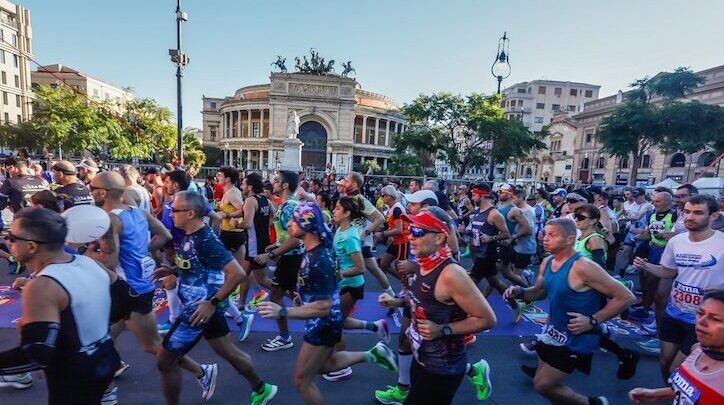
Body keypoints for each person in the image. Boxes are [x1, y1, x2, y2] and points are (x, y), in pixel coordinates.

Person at [90, 171, 214, 402]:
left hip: (129, 291)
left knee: (152, 345)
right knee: (102, 338)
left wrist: (83, 252)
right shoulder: (137, 212)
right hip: (134, 287)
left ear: (103, 193)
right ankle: (107, 386)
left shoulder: (111, 220)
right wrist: (141, 251)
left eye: (92, 188)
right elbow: (165, 235)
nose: (90, 192)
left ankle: (201, 371)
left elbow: (109, 262)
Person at [257, 203, 397, 404]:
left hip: (323, 325)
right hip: (323, 322)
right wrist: (303, 297)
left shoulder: (318, 259)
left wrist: (283, 312)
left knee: (302, 381)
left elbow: (324, 306)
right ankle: (373, 354)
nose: (288, 224)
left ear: (307, 225)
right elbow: (323, 288)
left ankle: (373, 353)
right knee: (324, 365)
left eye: (294, 220)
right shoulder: (313, 251)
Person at [153, 191, 277, 405]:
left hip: (198, 312)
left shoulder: (205, 240)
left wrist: (212, 303)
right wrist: (172, 269)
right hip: (203, 309)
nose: (170, 214)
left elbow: (236, 273)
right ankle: (261, 388)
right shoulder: (190, 235)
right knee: (230, 353)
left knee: (165, 361)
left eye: (175, 210)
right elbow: (196, 267)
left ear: (190, 213)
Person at [504, 218, 635, 405]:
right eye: (545, 234)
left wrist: (592, 320)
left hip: (577, 337)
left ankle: (594, 403)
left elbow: (626, 297)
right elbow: (540, 292)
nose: (545, 238)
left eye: (552, 235)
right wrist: (520, 292)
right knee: (545, 384)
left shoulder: (583, 267)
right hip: (552, 332)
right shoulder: (547, 261)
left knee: (542, 385)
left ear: (570, 239)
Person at [0, 207, 121, 404]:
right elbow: (131, 299)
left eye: (12, 238)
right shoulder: (89, 263)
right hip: (104, 360)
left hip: (74, 378)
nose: (7, 242)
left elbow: (37, 354)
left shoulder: (42, 286)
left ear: (31, 246)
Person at [378, 207, 496, 404]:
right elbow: (424, 300)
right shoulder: (423, 264)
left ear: (440, 238)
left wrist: (443, 329)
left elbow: (487, 319)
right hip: (421, 359)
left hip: (442, 369)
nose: (410, 236)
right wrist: (397, 301)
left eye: (418, 231)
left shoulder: (451, 274)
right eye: (410, 229)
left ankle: (477, 371)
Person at [633, 194, 724, 382]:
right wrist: (646, 266)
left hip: (703, 318)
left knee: (678, 369)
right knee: (665, 362)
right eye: (687, 212)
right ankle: (673, 394)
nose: (690, 217)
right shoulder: (676, 241)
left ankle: (679, 393)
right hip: (674, 312)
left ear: (713, 216)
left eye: (698, 213)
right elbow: (669, 271)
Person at [323, 196, 390, 381]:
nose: (334, 210)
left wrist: (339, 274)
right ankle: (375, 326)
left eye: (337, 208)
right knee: (338, 321)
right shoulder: (340, 229)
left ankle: (342, 366)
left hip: (351, 286)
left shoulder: (350, 236)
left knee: (335, 324)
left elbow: (360, 268)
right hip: (343, 284)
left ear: (347, 213)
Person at [628, 290, 724, 404]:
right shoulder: (697, 350)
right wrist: (656, 394)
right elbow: (694, 390)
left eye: (715, 319)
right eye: (700, 313)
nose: (701, 321)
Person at [253, 170, 305, 351]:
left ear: (285, 185)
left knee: (276, 297)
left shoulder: (289, 206)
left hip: (292, 257)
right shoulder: (285, 205)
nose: (272, 183)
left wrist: (271, 255)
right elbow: (287, 235)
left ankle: (285, 338)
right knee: (290, 294)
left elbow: (296, 239)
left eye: (277, 181)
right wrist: (275, 245)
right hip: (289, 256)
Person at [235, 172, 273, 341]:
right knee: (245, 275)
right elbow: (273, 214)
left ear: (250, 186)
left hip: (254, 245)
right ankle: (241, 305)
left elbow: (248, 223)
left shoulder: (250, 200)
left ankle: (291, 294)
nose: (242, 186)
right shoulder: (265, 199)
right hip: (261, 242)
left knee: (258, 279)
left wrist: (236, 224)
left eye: (243, 184)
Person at [461, 183, 510, 296]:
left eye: (474, 195)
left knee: (470, 283)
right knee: (495, 282)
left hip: (485, 255)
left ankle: (470, 306)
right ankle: (515, 300)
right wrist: (465, 231)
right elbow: (477, 231)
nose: (472, 198)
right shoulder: (478, 211)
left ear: (482, 196)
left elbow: (507, 234)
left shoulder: (494, 214)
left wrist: (491, 237)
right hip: (477, 253)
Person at [496, 184, 532, 290]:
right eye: (498, 191)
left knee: (493, 274)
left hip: (505, 245)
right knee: (506, 274)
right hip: (498, 243)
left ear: (509, 194)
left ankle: (528, 292)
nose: (498, 193)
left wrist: (512, 238)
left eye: (501, 192)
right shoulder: (500, 206)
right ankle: (527, 291)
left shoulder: (514, 210)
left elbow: (528, 228)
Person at [216, 166, 246, 265]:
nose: (217, 177)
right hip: (229, 232)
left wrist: (227, 215)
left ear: (227, 179)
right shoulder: (229, 192)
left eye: (220, 175)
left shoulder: (232, 193)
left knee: (227, 266)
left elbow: (244, 210)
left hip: (232, 233)